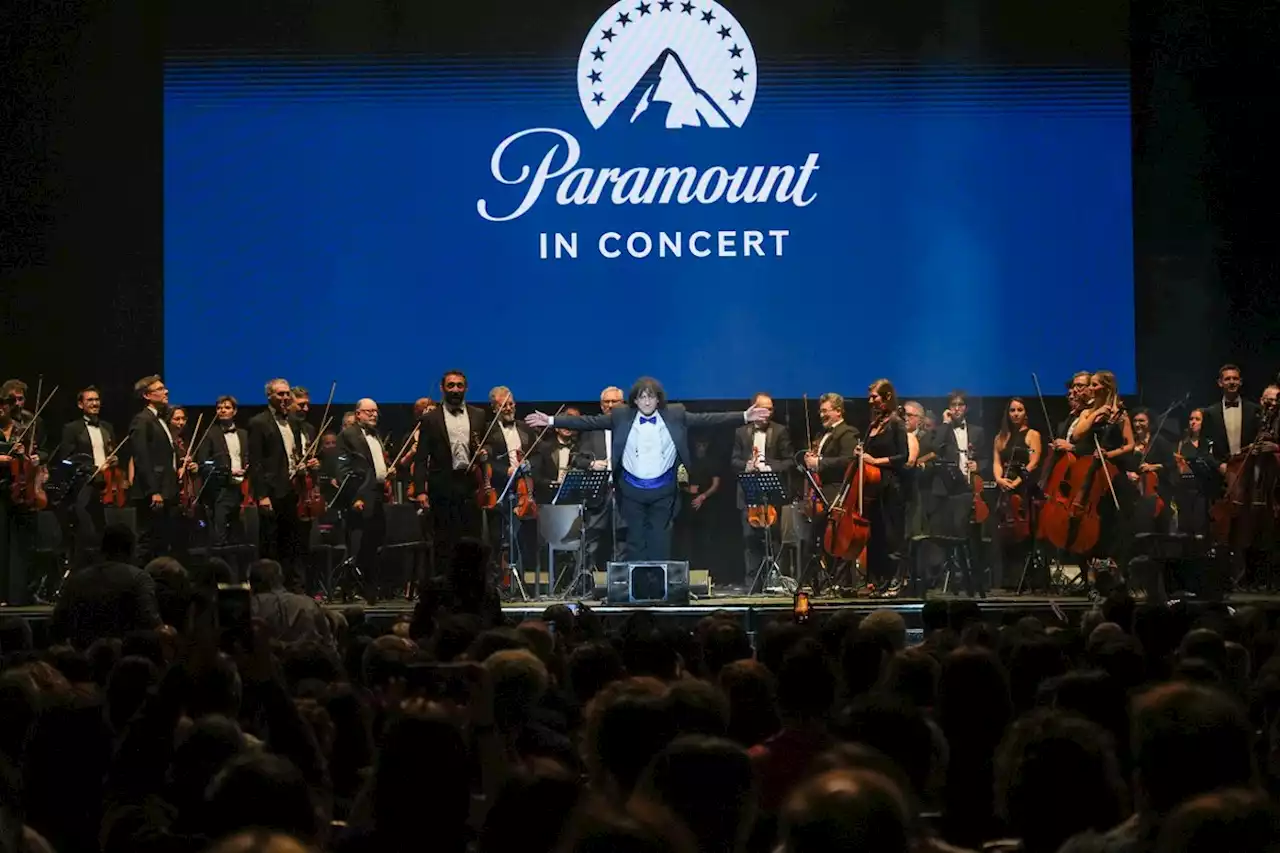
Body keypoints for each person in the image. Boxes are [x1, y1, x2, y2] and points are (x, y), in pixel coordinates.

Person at [526, 377, 768, 562]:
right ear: (634, 400)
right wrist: (550, 421)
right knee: (635, 543)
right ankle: (638, 592)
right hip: (631, 490)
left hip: (663, 490)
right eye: (642, 397)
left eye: (651, 397)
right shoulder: (621, 415)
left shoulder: (675, 414)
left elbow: (708, 419)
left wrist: (744, 416)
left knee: (660, 542)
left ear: (659, 398)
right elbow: (587, 422)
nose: (647, 402)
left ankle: (658, 590)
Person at [413, 370, 490, 577]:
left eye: (459, 385)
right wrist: (421, 491)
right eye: (451, 385)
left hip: (470, 486)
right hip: (442, 487)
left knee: (472, 540)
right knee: (444, 541)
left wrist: (485, 452)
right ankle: (443, 591)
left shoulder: (479, 415)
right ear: (442, 388)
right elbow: (421, 459)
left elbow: (488, 445)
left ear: (466, 388)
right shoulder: (430, 419)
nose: (455, 389)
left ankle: (472, 589)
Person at [50, 523, 161, 648]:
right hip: (126, 654)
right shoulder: (139, 579)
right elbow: (150, 621)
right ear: (130, 549)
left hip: (84, 656)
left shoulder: (78, 580)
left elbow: (58, 622)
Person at [731, 393, 795, 586]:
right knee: (750, 541)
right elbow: (733, 460)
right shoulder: (741, 432)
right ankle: (753, 585)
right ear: (753, 409)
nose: (767, 413)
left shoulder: (780, 431)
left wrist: (768, 466)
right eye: (763, 409)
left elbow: (790, 461)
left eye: (770, 409)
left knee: (774, 540)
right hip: (749, 494)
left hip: (771, 493)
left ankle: (776, 583)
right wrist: (746, 466)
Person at [339, 399, 390, 601]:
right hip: (360, 496)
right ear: (358, 414)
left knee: (374, 543)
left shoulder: (375, 434)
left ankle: (369, 587)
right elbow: (344, 470)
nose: (374, 415)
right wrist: (354, 497)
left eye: (376, 411)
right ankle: (350, 588)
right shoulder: (348, 435)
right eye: (369, 411)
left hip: (376, 494)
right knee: (358, 545)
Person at [991, 398, 1043, 590]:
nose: (1015, 413)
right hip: (1005, 486)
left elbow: (1033, 462)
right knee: (1004, 534)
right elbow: (996, 461)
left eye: (1019, 410)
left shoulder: (1032, 434)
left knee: (1023, 534)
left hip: (1023, 487)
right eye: (1012, 410)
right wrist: (999, 479)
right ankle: (1007, 579)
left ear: (1025, 413)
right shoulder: (1000, 437)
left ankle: (1026, 579)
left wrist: (1017, 482)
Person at [128, 375, 181, 562]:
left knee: (161, 540)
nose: (165, 391)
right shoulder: (142, 420)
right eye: (159, 389)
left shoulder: (159, 420)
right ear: (147, 396)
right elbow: (142, 458)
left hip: (165, 490)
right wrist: (154, 491)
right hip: (152, 492)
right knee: (147, 541)